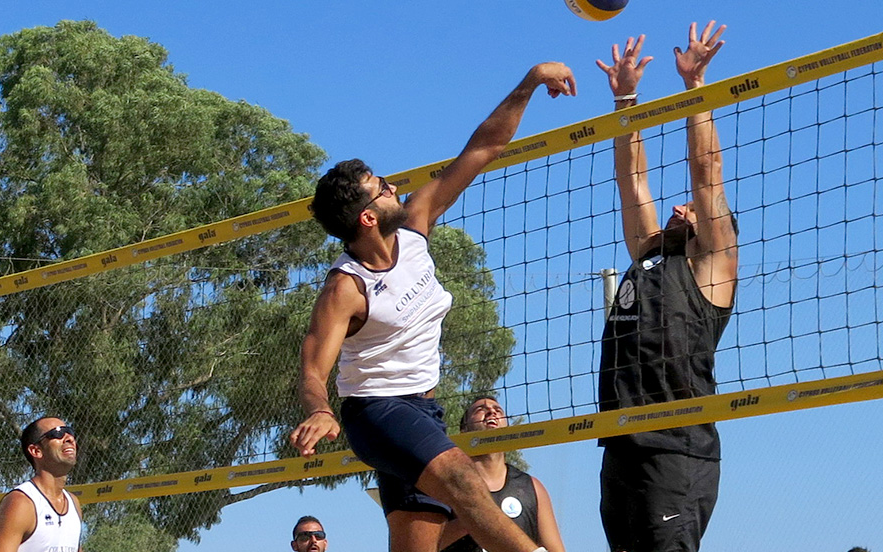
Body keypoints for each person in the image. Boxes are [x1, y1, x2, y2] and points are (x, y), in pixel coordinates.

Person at [289, 61, 576, 552]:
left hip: (424, 410)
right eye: (382, 188)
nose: (393, 186)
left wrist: (528, 83)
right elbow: (313, 370)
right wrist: (320, 411)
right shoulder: (346, 287)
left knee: (419, 546)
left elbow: (484, 147)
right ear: (367, 216)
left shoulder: (416, 225)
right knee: (468, 484)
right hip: (377, 414)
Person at [594, 23, 737, 552]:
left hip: (677, 445)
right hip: (622, 441)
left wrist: (694, 86)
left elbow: (708, 172)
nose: (681, 205)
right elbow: (631, 178)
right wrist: (626, 98)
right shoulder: (649, 253)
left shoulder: (711, 268)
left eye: (690, 209)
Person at [438, 396, 565, 552]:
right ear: (464, 431)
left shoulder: (532, 487)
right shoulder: (445, 484)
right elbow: (419, 545)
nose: (491, 411)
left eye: (498, 410)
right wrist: (472, 520)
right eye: (480, 410)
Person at [0, 417, 82, 552]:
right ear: (36, 451)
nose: (69, 438)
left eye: (70, 432)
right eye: (57, 433)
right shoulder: (21, 502)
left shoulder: (73, 503)